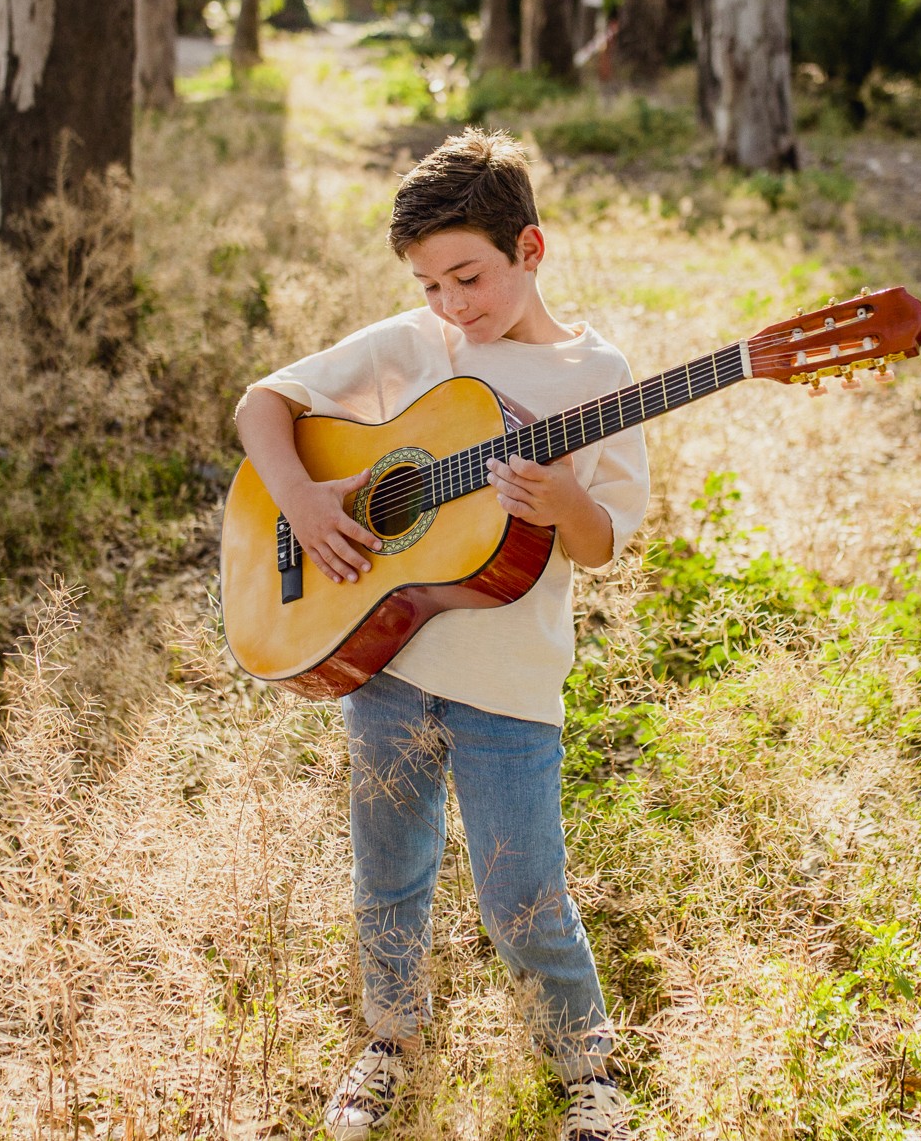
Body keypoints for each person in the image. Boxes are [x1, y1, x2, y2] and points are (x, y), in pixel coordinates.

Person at [233, 129, 649, 1141]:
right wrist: (308, 502)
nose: (451, 304)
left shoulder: (598, 375)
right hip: (384, 665)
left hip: (508, 684)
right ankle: (389, 1040)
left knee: (519, 887)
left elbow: (604, 542)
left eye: (468, 276)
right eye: (429, 284)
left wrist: (557, 503)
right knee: (388, 869)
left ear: (531, 249)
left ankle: (584, 1062)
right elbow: (263, 405)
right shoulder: (420, 348)